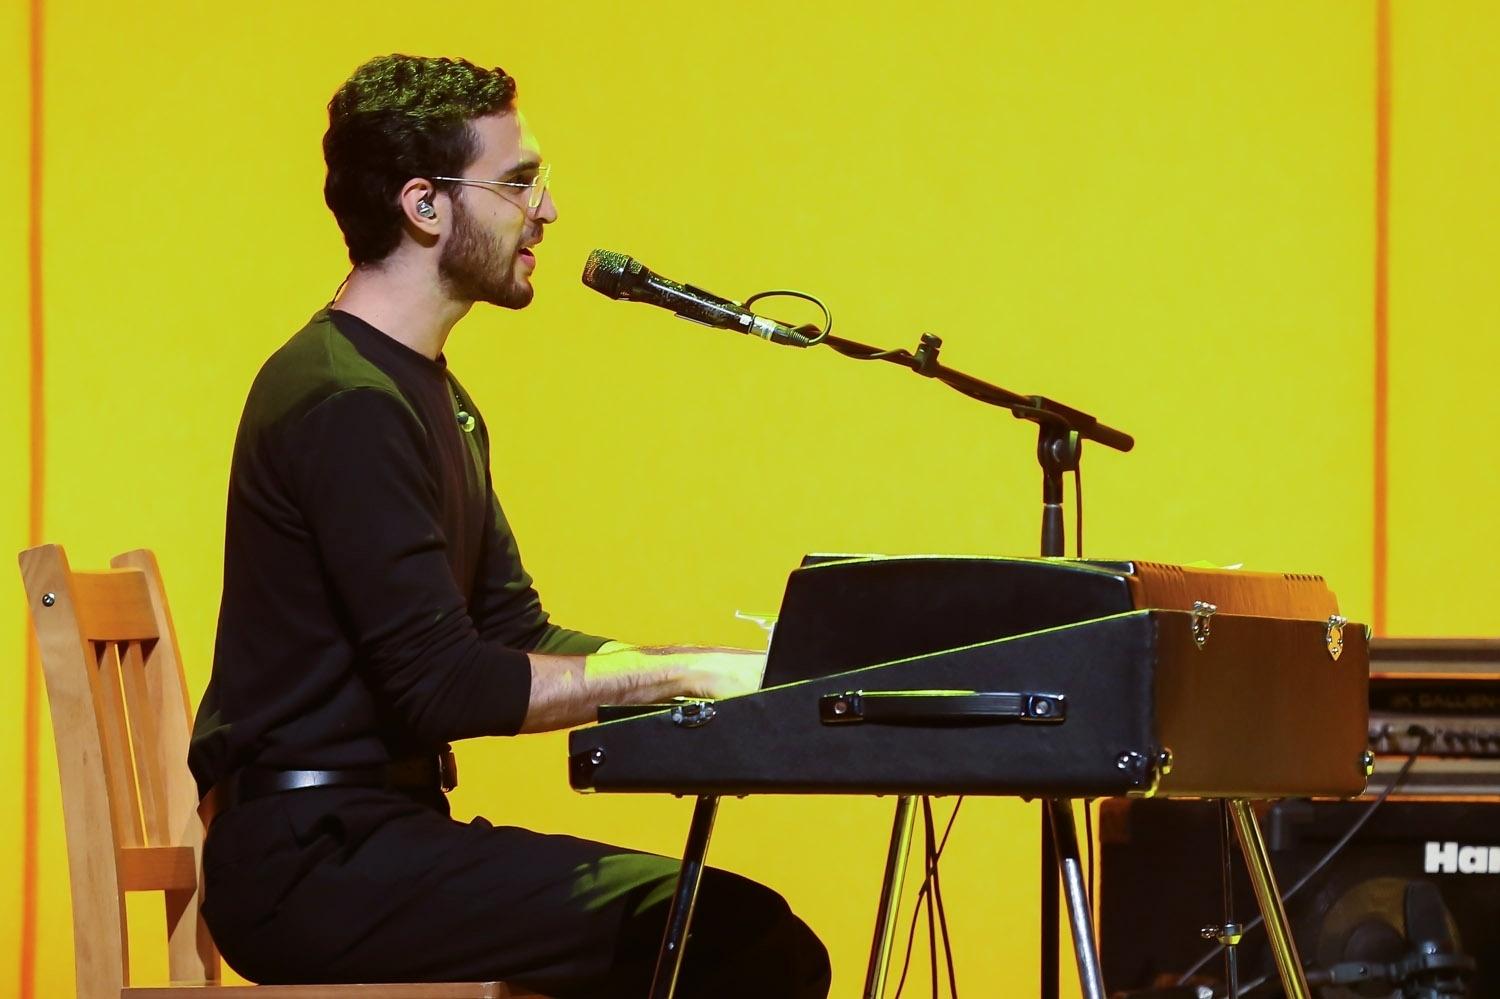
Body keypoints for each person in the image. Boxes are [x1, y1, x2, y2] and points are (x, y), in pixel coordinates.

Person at [188, 53, 830, 998]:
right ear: (425, 205)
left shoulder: (433, 398)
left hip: (377, 841)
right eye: (521, 181)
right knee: (740, 943)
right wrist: (685, 675)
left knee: (726, 930)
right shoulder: (343, 401)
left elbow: (511, 633)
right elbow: (443, 685)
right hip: (312, 867)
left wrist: (710, 674)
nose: (549, 211)